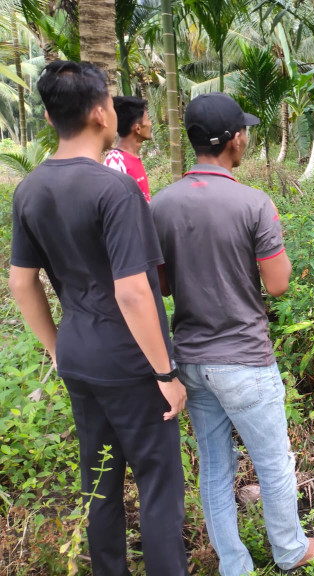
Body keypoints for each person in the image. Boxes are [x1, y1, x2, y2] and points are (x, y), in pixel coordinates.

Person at [8, 61, 188, 575]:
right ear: (98, 113)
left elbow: (22, 283)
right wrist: (165, 374)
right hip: (132, 363)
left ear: (48, 117)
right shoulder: (116, 191)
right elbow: (133, 291)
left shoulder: (29, 190)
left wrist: (58, 348)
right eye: (110, 99)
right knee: (157, 484)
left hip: (79, 356)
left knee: (100, 482)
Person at [150, 93, 314, 576]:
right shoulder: (255, 203)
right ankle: (291, 550)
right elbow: (277, 284)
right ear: (235, 140)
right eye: (244, 131)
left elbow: (163, 284)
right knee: (273, 461)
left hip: (190, 358)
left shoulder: (161, 205)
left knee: (215, 465)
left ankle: (234, 564)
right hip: (244, 360)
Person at [103, 95, 153, 201]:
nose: (150, 123)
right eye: (148, 119)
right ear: (138, 128)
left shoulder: (134, 157)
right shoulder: (116, 163)